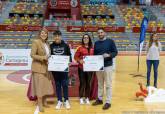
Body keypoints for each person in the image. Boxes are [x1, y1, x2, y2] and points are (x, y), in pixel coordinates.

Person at [92, 28, 118, 110]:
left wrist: (109, 55)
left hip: (108, 66)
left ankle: (108, 102)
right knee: (100, 84)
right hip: (98, 67)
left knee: (108, 85)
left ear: (105, 33)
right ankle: (99, 99)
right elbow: (95, 54)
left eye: (101, 32)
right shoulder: (96, 43)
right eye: (98, 33)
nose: (100, 34)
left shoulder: (110, 41)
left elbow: (115, 52)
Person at [30, 27, 54, 112]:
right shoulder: (36, 42)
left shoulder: (47, 43)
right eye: (42, 33)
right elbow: (32, 55)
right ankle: (40, 103)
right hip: (38, 67)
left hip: (46, 68)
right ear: (39, 34)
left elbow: (49, 55)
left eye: (45, 33)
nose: (44, 34)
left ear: (47, 35)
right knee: (40, 86)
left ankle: (44, 101)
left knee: (45, 85)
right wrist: (43, 58)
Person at [50, 30, 71, 109]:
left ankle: (66, 100)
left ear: (61, 36)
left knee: (65, 85)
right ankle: (59, 100)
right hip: (55, 70)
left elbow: (69, 55)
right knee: (58, 85)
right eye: (55, 36)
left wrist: (69, 61)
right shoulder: (51, 46)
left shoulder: (66, 45)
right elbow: (49, 56)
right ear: (54, 37)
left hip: (64, 69)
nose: (57, 37)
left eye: (58, 36)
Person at [74, 34, 94, 105]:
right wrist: (79, 60)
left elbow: (95, 58)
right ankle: (81, 97)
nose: (85, 39)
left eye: (87, 38)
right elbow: (75, 57)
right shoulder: (80, 48)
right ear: (83, 39)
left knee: (88, 83)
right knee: (82, 83)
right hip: (81, 68)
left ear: (89, 39)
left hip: (90, 69)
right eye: (84, 38)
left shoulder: (92, 48)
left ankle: (87, 97)